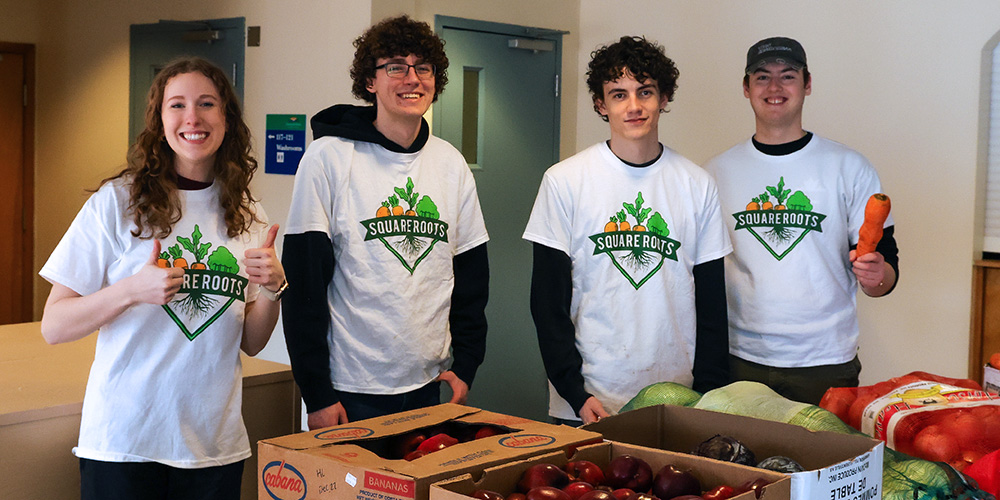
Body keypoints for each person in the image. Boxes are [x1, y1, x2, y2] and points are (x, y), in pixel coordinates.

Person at [38, 57, 284, 500]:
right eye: (178, 105)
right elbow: (54, 326)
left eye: (207, 103)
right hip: (125, 443)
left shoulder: (248, 215)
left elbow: (250, 340)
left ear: (226, 119)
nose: (193, 117)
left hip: (213, 446)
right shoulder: (116, 204)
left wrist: (272, 290)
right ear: (160, 119)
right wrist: (131, 291)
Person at [282, 15, 490, 429]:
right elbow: (303, 287)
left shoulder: (451, 164)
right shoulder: (327, 159)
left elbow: (471, 280)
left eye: (423, 68)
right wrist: (316, 393)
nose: (411, 78)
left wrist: (466, 365)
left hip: (431, 387)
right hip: (349, 392)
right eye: (396, 66)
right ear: (370, 81)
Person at [523, 36, 732, 425]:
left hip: (678, 400)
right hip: (588, 404)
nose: (634, 106)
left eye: (645, 92)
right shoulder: (564, 181)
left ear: (664, 98)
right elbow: (547, 304)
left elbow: (712, 304)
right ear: (601, 104)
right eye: (619, 95)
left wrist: (707, 394)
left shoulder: (697, 184)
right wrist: (574, 392)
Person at [704, 37, 900, 405]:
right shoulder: (715, 172)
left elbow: (883, 271)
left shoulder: (849, 167)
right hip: (739, 357)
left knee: (824, 461)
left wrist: (878, 277)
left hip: (825, 361)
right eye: (762, 77)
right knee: (735, 461)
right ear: (746, 88)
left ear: (807, 84)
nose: (775, 87)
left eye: (787, 75)